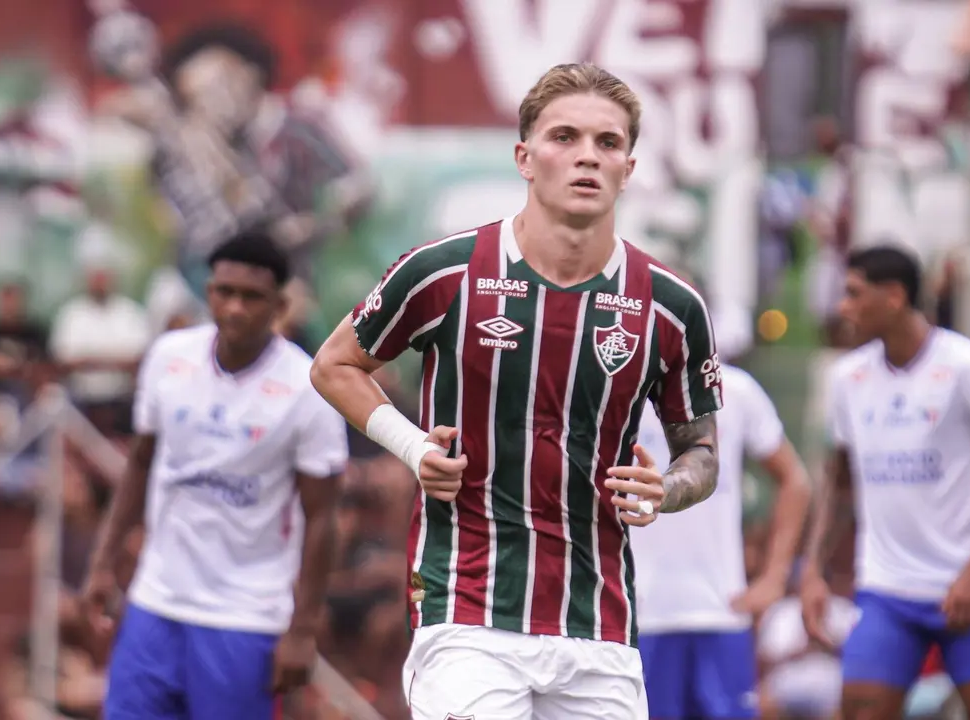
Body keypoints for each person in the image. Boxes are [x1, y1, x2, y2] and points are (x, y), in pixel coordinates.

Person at [310, 62, 723, 720]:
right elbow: (334, 365)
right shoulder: (445, 272)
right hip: (466, 610)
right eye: (565, 137)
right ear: (524, 158)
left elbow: (701, 450)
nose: (587, 156)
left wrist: (665, 488)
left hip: (599, 622)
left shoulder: (672, 307)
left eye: (607, 143)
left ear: (628, 169)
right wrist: (413, 448)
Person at [81, 232, 348, 719]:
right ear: (208, 292)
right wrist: (103, 563)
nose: (235, 308)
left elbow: (323, 516)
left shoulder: (308, 388)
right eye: (225, 292)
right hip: (155, 602)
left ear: (279, 305)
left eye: (252, 296)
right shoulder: (168, 358)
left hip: (244, 616)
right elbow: (139, 464)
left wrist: (303, 629)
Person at [800, 244, 970, 720]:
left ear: (894, 296)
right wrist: (812, 570)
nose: (843, 307)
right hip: (886, 590)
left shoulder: (968, 367)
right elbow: (839, 483)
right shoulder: (847, 378)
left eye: (854, 294)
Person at [632, 338, 811, 719]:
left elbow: (795, 481)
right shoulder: (620, 390)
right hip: (640, 614)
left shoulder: (736, 390)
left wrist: (774, 578)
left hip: (720, 609)